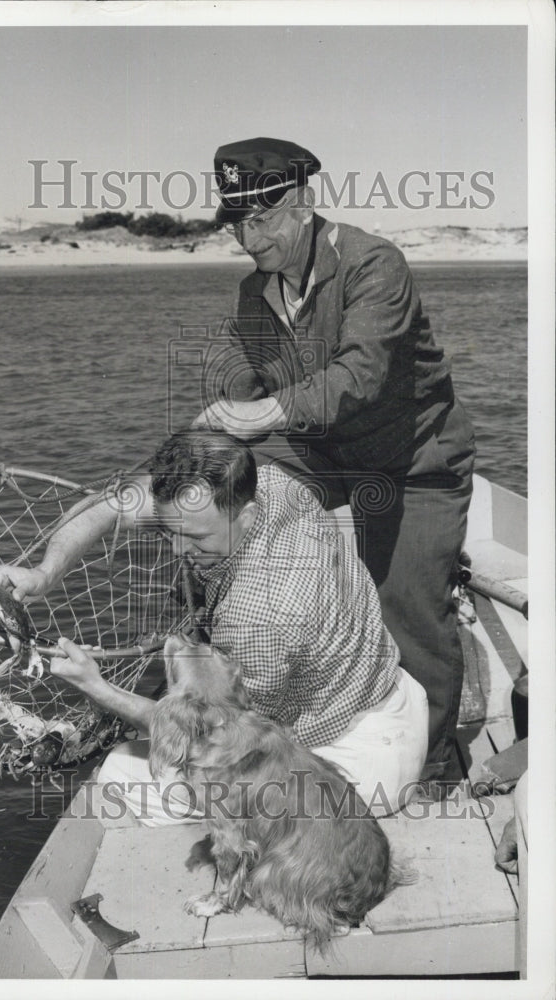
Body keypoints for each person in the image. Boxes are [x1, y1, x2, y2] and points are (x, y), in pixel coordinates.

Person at [194, 137, 475, 785]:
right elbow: (255, 377)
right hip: (327, 453)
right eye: (235, 221)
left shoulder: (375, 265)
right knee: (222, 519)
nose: (246, 237)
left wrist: (260, 415)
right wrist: (224, 414)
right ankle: (249, 703)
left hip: (415, 461)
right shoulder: (252, 291)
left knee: (405, 608)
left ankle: (428, 767)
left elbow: (360, 375)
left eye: (260, 219)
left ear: (301, 203)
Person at [0, 430, 428, 822]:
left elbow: (212, 736)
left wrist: (97, 687)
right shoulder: (275, 485)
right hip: (398, 702)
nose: (180, 549)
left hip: (355, 770)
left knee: (117, 776)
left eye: (198, 538)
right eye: (170, 530)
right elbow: (112, 502)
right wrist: (46, 572)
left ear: (247, 516)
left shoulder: (256, 618)